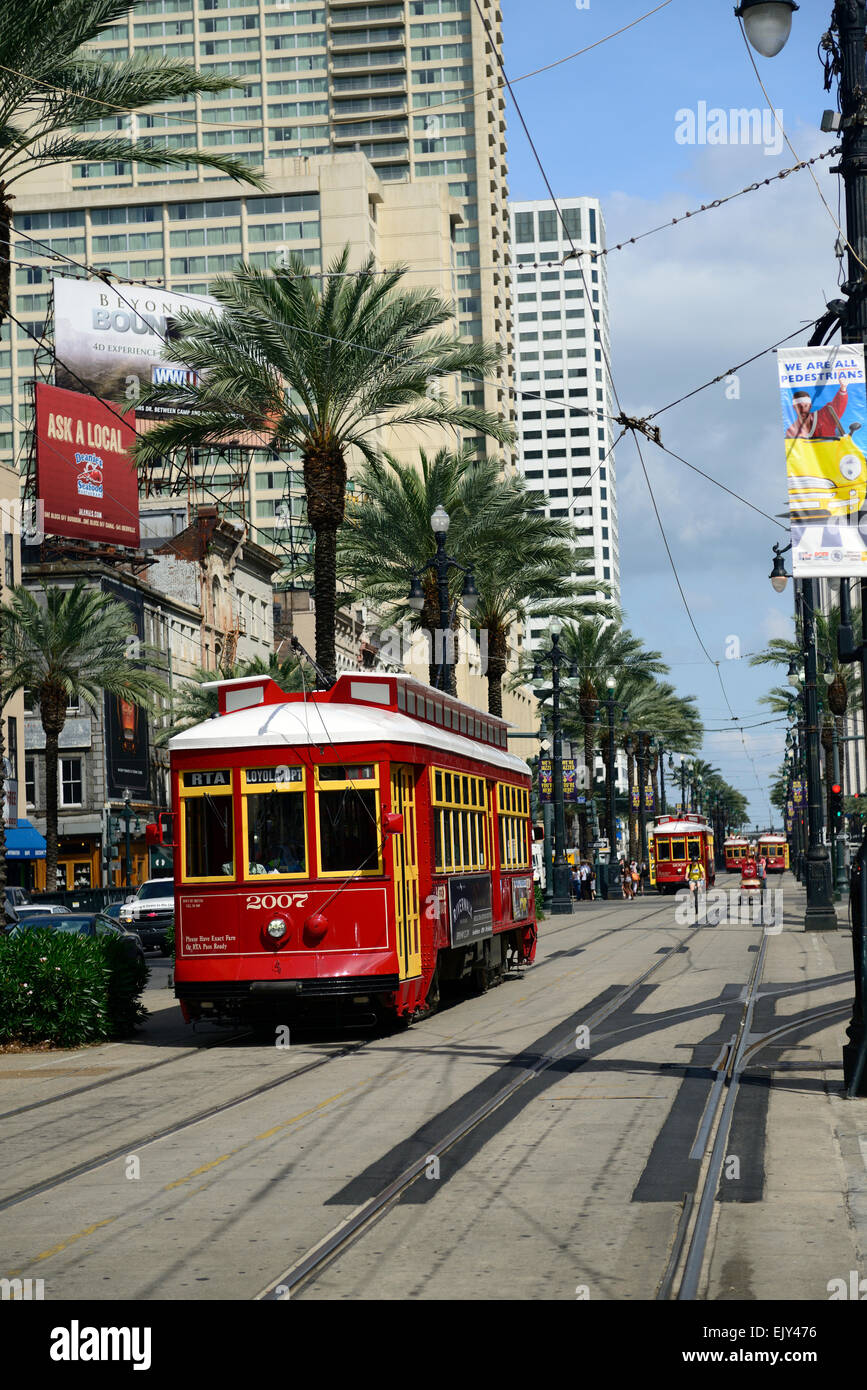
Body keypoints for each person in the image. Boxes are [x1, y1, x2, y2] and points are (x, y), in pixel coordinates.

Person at [686, 853, 706, 920]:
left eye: (695, 862)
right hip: (692, 880)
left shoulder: (700, 866)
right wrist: (686, 878)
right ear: (692, 862)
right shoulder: (689, 866)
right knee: (691, 889)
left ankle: (701, 897)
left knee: (699, 886)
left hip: (698, 879)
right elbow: (686, 874)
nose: (694, 863)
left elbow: (703, 873)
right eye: (693, 862)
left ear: (697, 862)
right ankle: (691, 902)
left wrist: (703, 878)